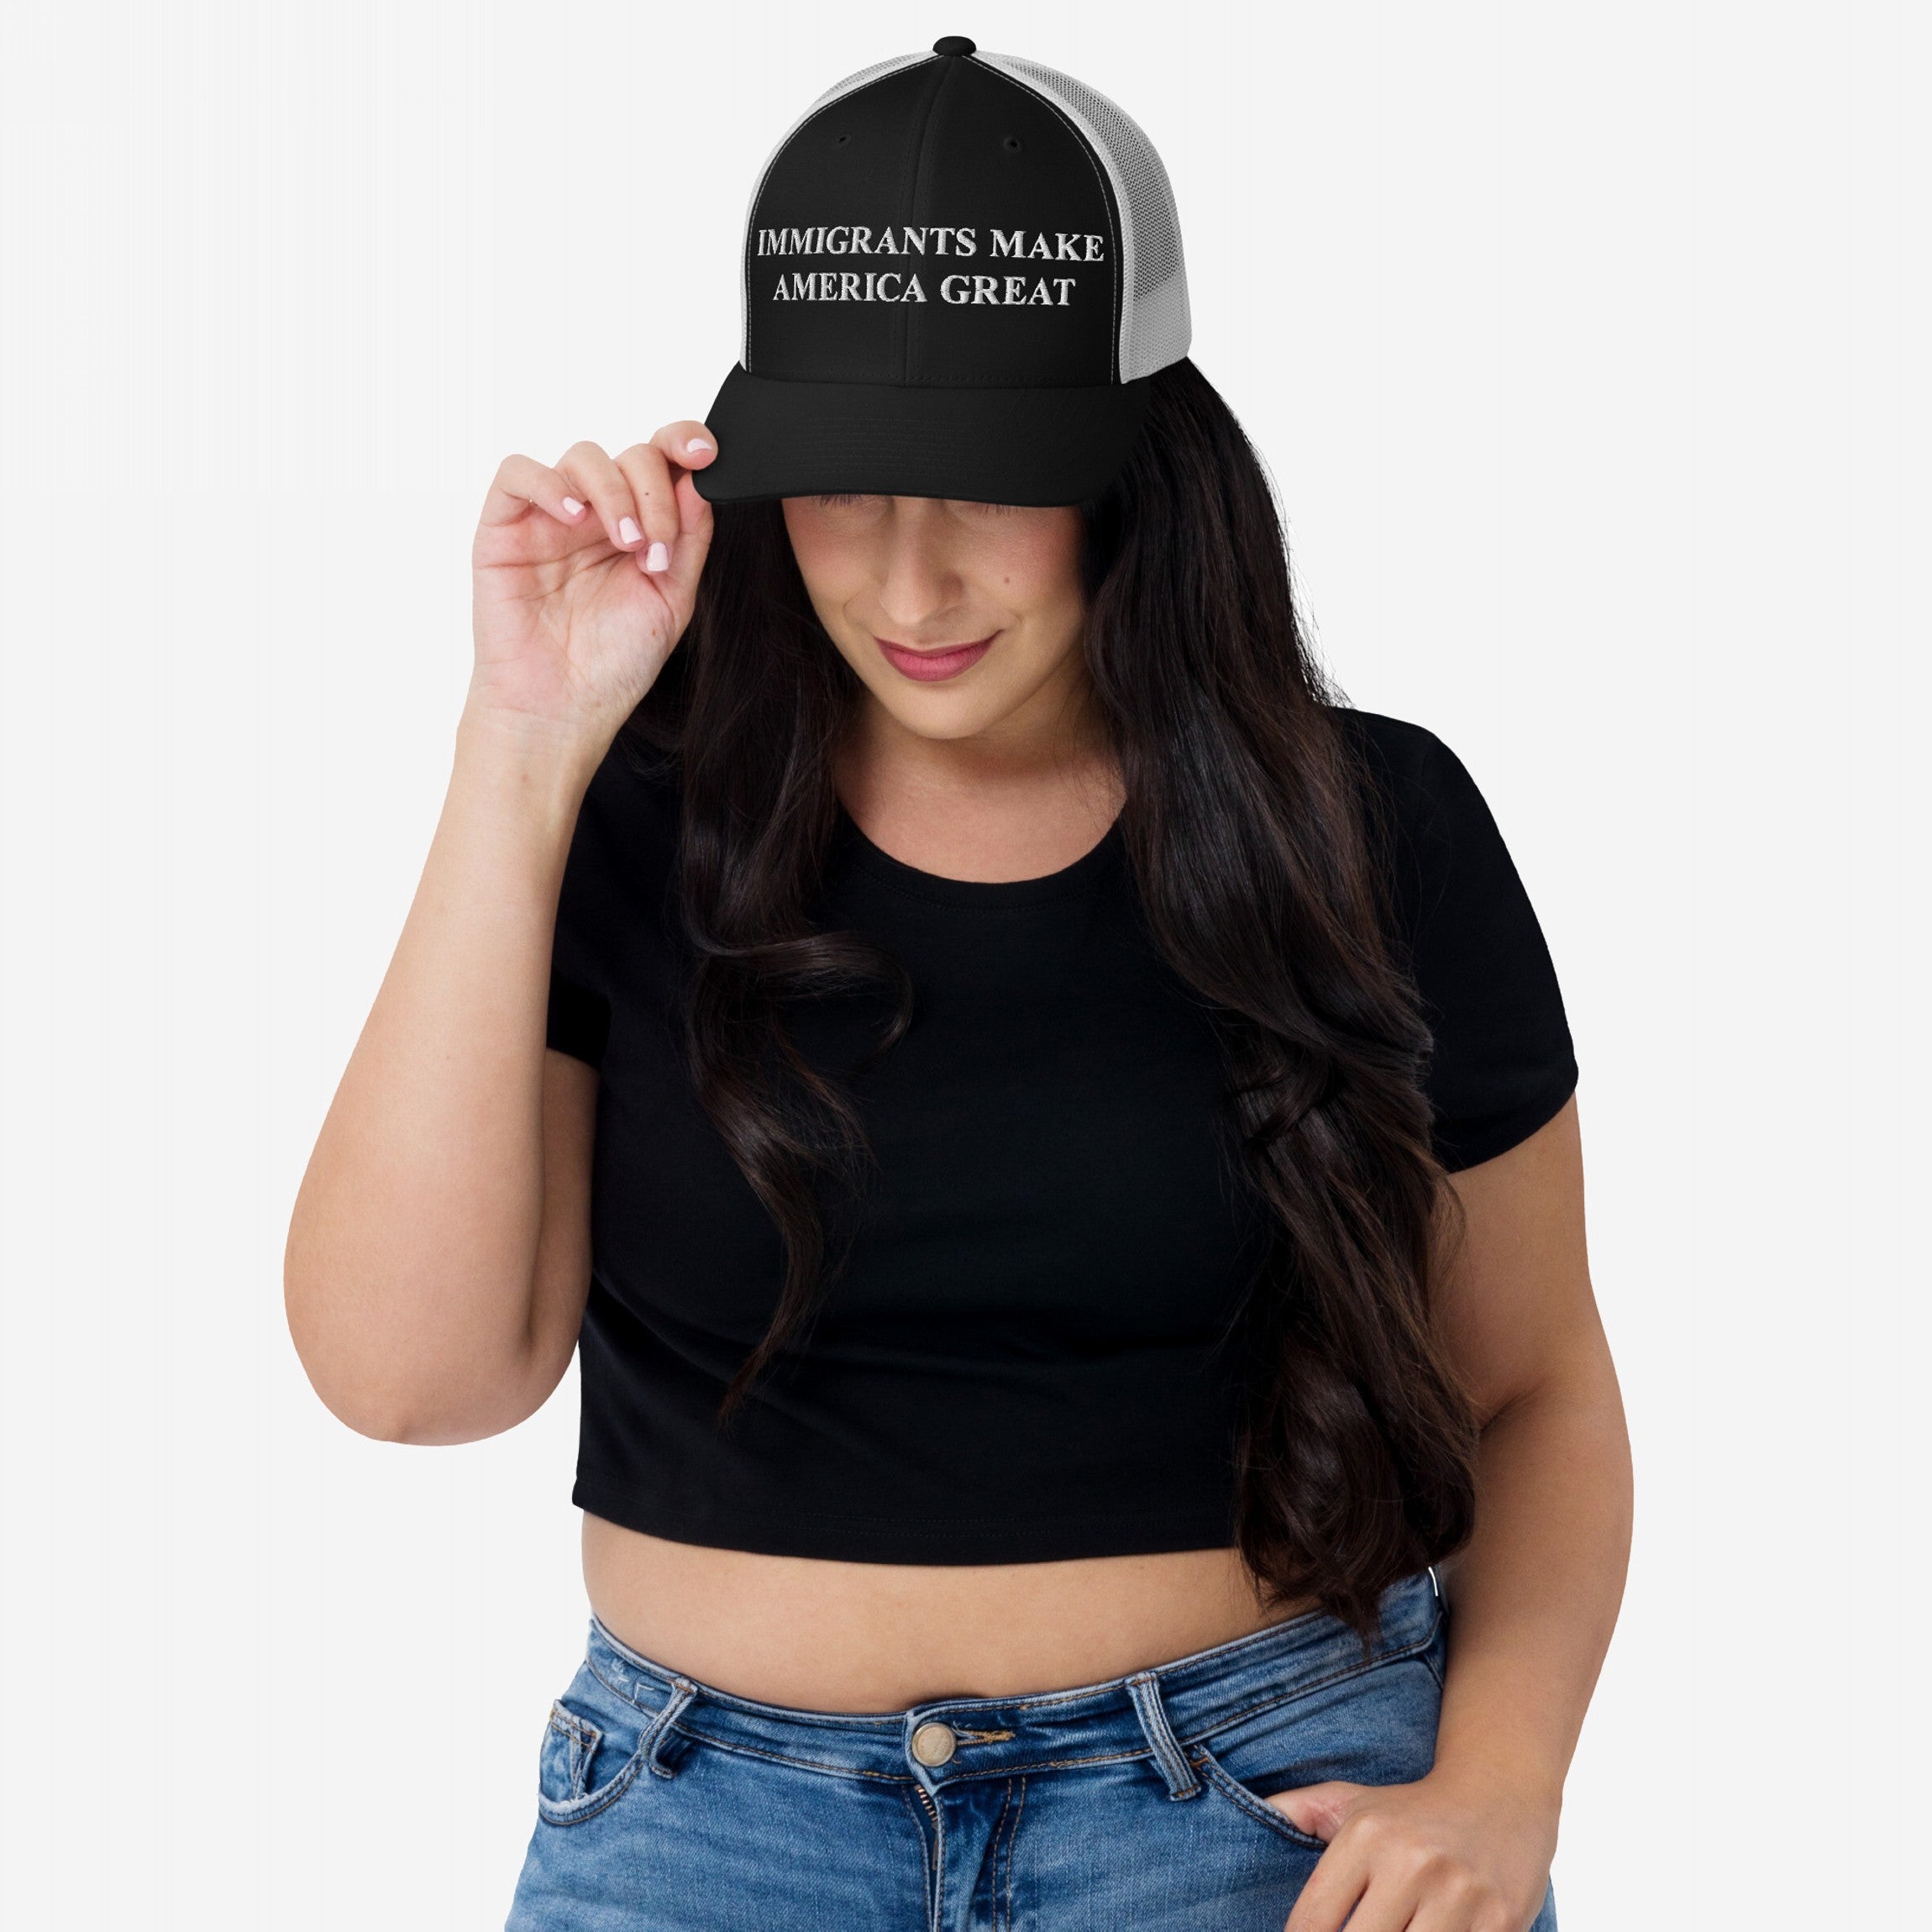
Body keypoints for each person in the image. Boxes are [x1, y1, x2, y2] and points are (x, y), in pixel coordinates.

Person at [285, 38, 1630, 1932]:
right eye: (842, 489)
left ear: (1140, 467)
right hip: (698, 1835)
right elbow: (408, 1379)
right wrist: (522, 745)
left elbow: (1537, 1384)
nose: (908, 584)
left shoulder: (1375, 826)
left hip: (1260, 1822)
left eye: (991, 487)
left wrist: (1498, 1790)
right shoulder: (629, 818)